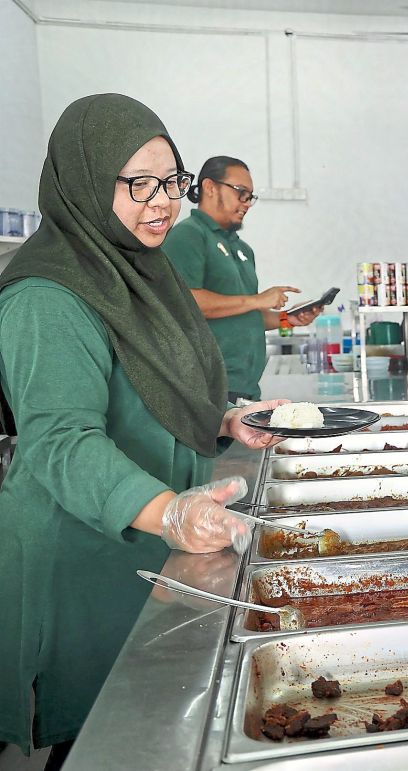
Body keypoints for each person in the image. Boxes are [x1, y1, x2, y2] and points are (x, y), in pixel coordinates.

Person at [0, 94, 287, 769]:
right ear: (84, 181)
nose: (161, 201)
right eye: (138, 184)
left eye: (171, 182)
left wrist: (220, 419)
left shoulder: (136, 269)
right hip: (79, 553)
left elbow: (147, 389)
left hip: (141, 540)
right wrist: (172, 512)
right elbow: (61, 441)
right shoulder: (48, 295)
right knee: (99, 739)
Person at [164, 156, 321, 402]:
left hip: (243, 387)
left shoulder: (242, 249)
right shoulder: (188, 236)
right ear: (209, 187)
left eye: (250, 196)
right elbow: (187, 302)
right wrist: (258, 300)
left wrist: (287, 319)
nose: (247, 203)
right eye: (241, 193)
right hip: (205, 388)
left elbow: (244, 317)